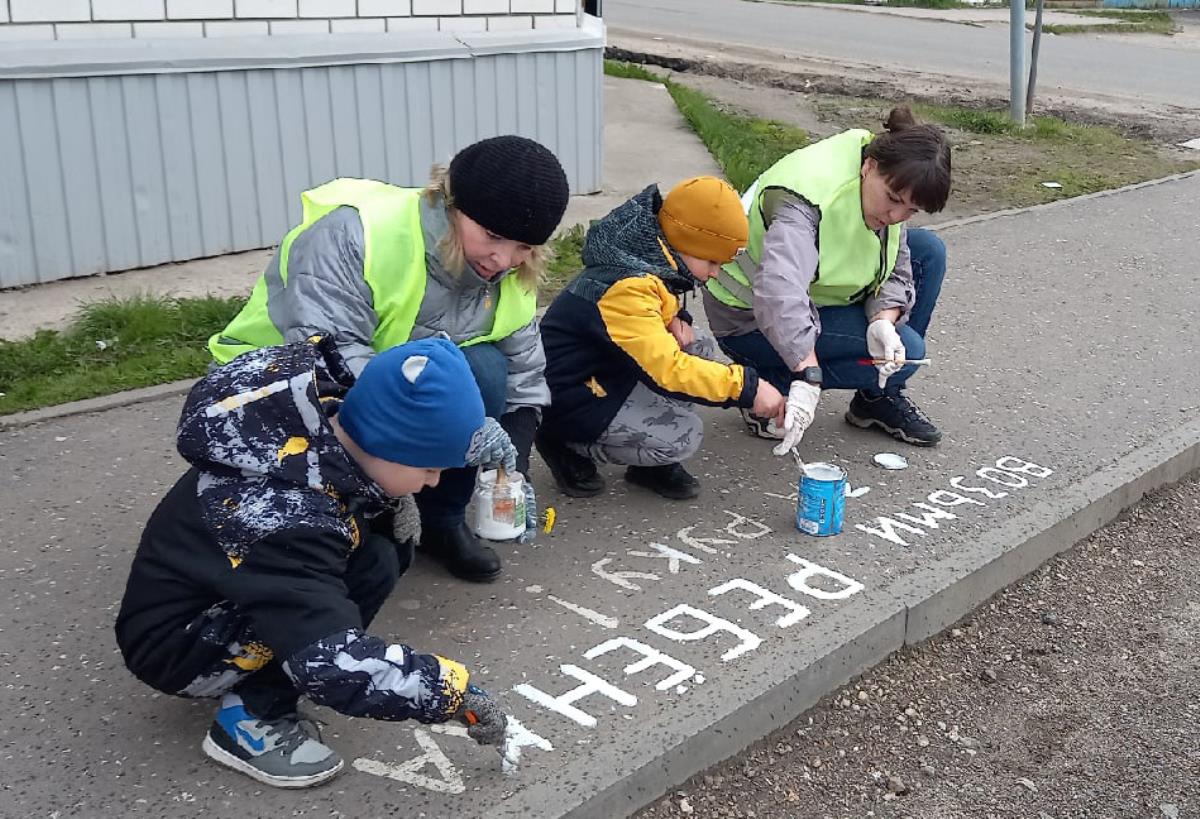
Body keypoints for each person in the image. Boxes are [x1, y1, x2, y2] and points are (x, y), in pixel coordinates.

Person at [115, 336, 515, 789]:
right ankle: (251, 718)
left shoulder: (319, 432)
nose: (434, 481)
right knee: (324, 644)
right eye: (427, 468)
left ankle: (268, 678)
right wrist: (448, 691)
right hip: (180, 645)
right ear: (388, 444)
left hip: (218, 595)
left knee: (382, 552)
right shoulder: (282, 518)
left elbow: (349, 497)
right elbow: (331, 662)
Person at [208, 135, 570, 582]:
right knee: (358, 557)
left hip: (384, 378)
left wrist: (513, 450)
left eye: (523, 247)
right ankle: (354, 516)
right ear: (451, 204)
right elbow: (329, 357)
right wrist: (457, 427)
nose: (503, 259)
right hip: (278, 383)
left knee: (486, 371)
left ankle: (442, 520)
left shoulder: (509, 267)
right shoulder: (356, 233)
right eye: (493, 236)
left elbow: (523, 365)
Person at [703, 106, 951, 454]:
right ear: (869, 167)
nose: (896, 216)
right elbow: (780, 293)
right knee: (911, 352)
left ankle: (876, 398)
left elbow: (897, 263)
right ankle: (769, 386)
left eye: (910, 210)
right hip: (748, 320)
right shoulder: (805, 199)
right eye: (893, 201)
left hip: (812, 297)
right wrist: (808, 374)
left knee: (929, 251)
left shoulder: (890, 171)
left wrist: (884, 321)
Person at [536, 177, 786, 500]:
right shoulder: (626, 288)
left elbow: (654, 300)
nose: (714, 273)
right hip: (570, 393)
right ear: (685, 243)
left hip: (601, 370)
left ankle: (643, 459)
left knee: (698, 348)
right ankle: (566, 443)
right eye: (711, 262)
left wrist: (674, 317)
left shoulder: (644, 253)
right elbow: (666, 369)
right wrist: (747, 388)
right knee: (682, 435)